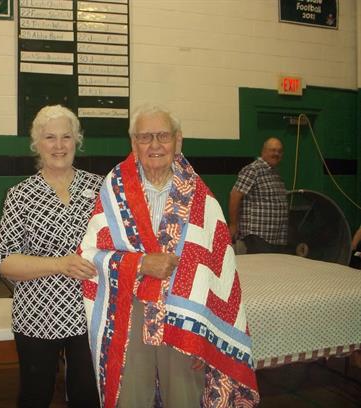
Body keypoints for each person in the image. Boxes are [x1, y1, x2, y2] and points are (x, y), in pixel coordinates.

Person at [79, 105, 259, 407]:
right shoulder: (114, 189)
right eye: (145, 137)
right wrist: (140, 264)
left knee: (183, 398)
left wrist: (206, 335)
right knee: (131, 398)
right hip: (128, 311)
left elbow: (218, 270)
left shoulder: (201, 197)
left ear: (178, 141)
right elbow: (90, 254)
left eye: (162, 135)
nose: (154, 144)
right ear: (133, 144)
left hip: (185, 316)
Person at [0, 105, 102, 408]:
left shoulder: (100, 187)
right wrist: (59, 264)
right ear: (37, 143)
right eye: (50, 137)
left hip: (91, 313)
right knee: (35, 396)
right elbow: (2, 260)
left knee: (88, 397)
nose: (59, 145)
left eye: (67, 137)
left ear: (76, 140)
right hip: (37, 316)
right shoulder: (21, 194)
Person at [228, 137, 288, 254]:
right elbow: (235, 195)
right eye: (273, 150)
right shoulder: (253, 170)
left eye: (279, 151)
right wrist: (233, 225)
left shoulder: (275, 173)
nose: (276, 153)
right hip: (258, 235)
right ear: (263, 151)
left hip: (275, 237)